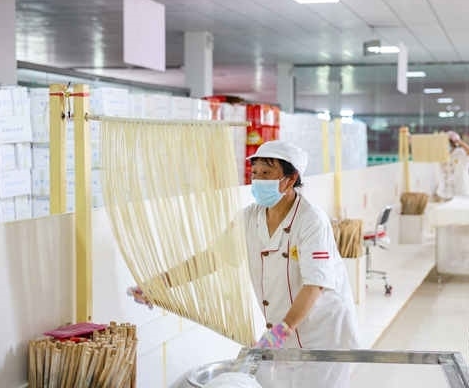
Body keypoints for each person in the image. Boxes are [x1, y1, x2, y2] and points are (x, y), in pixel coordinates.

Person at [130, 140, 359, 387]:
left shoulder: (311, 221)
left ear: (290, 179)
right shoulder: (250, 217)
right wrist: (159, 284)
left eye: (266, 173)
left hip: (322, 332)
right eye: (255, 173)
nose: (258, 180)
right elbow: (211, 258)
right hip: (282, 333)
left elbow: (315, 285)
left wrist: (282, 330)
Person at [435, 130, 469, 200]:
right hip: (445, 192)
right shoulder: (441, 154)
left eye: (448, 142)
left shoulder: (460, 152)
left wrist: (459, 141)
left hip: (462, 190)